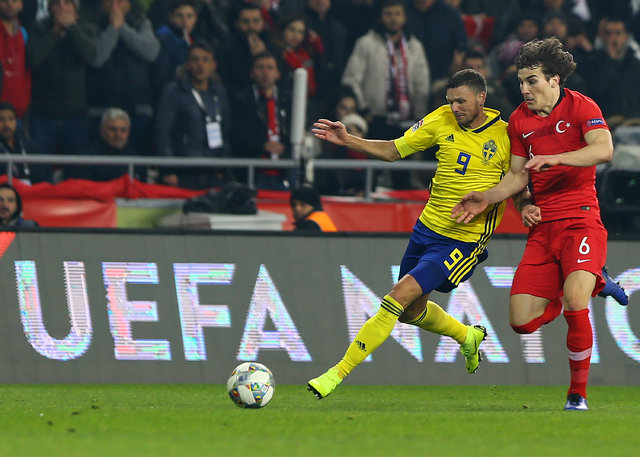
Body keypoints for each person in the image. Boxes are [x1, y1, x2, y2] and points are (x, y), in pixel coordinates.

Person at [307, 68, 510, 399]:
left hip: (463, 239)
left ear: (481, 98)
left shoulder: (506, 136)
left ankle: (336, 374)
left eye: (461, 101)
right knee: (410, 312)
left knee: (397, 296)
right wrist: (349, 140)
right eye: (451, 101)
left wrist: (526, 206)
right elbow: (393, 150)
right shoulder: (441, 118)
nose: (455, 107)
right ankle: (467, 336)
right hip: (426, 229)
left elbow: (520, 181)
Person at [451, 37, 629, 411]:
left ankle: (577, 395)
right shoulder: (519, 119)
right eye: (521, 81)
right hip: (543, 228)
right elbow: (517, 177)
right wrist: (488, 197)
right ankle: (595, 280)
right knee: (520, 322)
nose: (524, 89)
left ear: (554, 80)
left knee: (576, 303)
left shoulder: (581, 106)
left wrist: (557, 159)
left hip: (581, 221)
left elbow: (604, 149)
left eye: (532, 81)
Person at [341, 0, 430, 190]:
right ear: (381, 17)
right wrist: (364, 109)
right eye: (388, 14)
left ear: (404, 17)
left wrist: (420, 117)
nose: (393, 19)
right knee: (371, 174)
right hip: (375, 118)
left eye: (397, 14)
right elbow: (351, 79)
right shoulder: (366, 43)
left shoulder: (414, 46)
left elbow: (422, 84)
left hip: (407, 122)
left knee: (403, 176)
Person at [26, 0, 96, 180]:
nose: (62, 8)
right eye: (57, 3)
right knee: (40, 172)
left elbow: (91, 57)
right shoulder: (39, 28)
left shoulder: (85, 28)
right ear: (50, 8)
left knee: (78, 174)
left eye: (67, 3)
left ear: (74, 7)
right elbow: (34, 58)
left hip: (76, 113)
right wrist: (56, 31)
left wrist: (72, 28)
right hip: (43, 112)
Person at [155, 41, 232, 190]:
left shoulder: (219, 93)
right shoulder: (174, 91)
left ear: (213, 65)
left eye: (205, 60)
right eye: (195, 60)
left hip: (213, 171)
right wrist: (168, 169)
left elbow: (225, 132)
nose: (200, 65)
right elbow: (163, 132)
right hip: (183, 170)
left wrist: (223, 167)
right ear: (188, 65)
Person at [88, 0, 160, 156]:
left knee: (138, 159)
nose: (115, 5)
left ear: (129, 4)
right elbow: (97, 57)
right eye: (110, 1)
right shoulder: (92, 26)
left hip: (138, 107)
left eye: (120, 1)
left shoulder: (142, 23)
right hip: (100, 107)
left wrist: (123, 28)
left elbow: (150, 52)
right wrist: (113, 29)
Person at [230, 51, 294, 190]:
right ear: (252, 73)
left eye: (270, 68)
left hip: (285, 171)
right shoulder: (241, 99)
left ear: (278, 74)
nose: (265, 72)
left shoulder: (289, 100)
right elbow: (236, 135)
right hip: (254, 171)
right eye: (260, 67)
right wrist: (262, 145)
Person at [0, 102, 51, 183]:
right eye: (1, 119)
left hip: (31, 189)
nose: (6, 124)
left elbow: (41, 178)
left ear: (16, 122)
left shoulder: (29, 146)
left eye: (11, 119)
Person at [87, 107, 143, 181]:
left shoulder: (136, 159)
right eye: (112, 129)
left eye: (122, 130)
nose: (118, 134)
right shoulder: (88, 159)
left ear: (129, 132)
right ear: (102, 131)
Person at [0, 0, 30, 119]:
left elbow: (26, 70)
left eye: (14, 1)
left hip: (18, 109)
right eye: (4, 1)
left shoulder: (23, 34)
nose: (10, 5)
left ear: (21, 4)